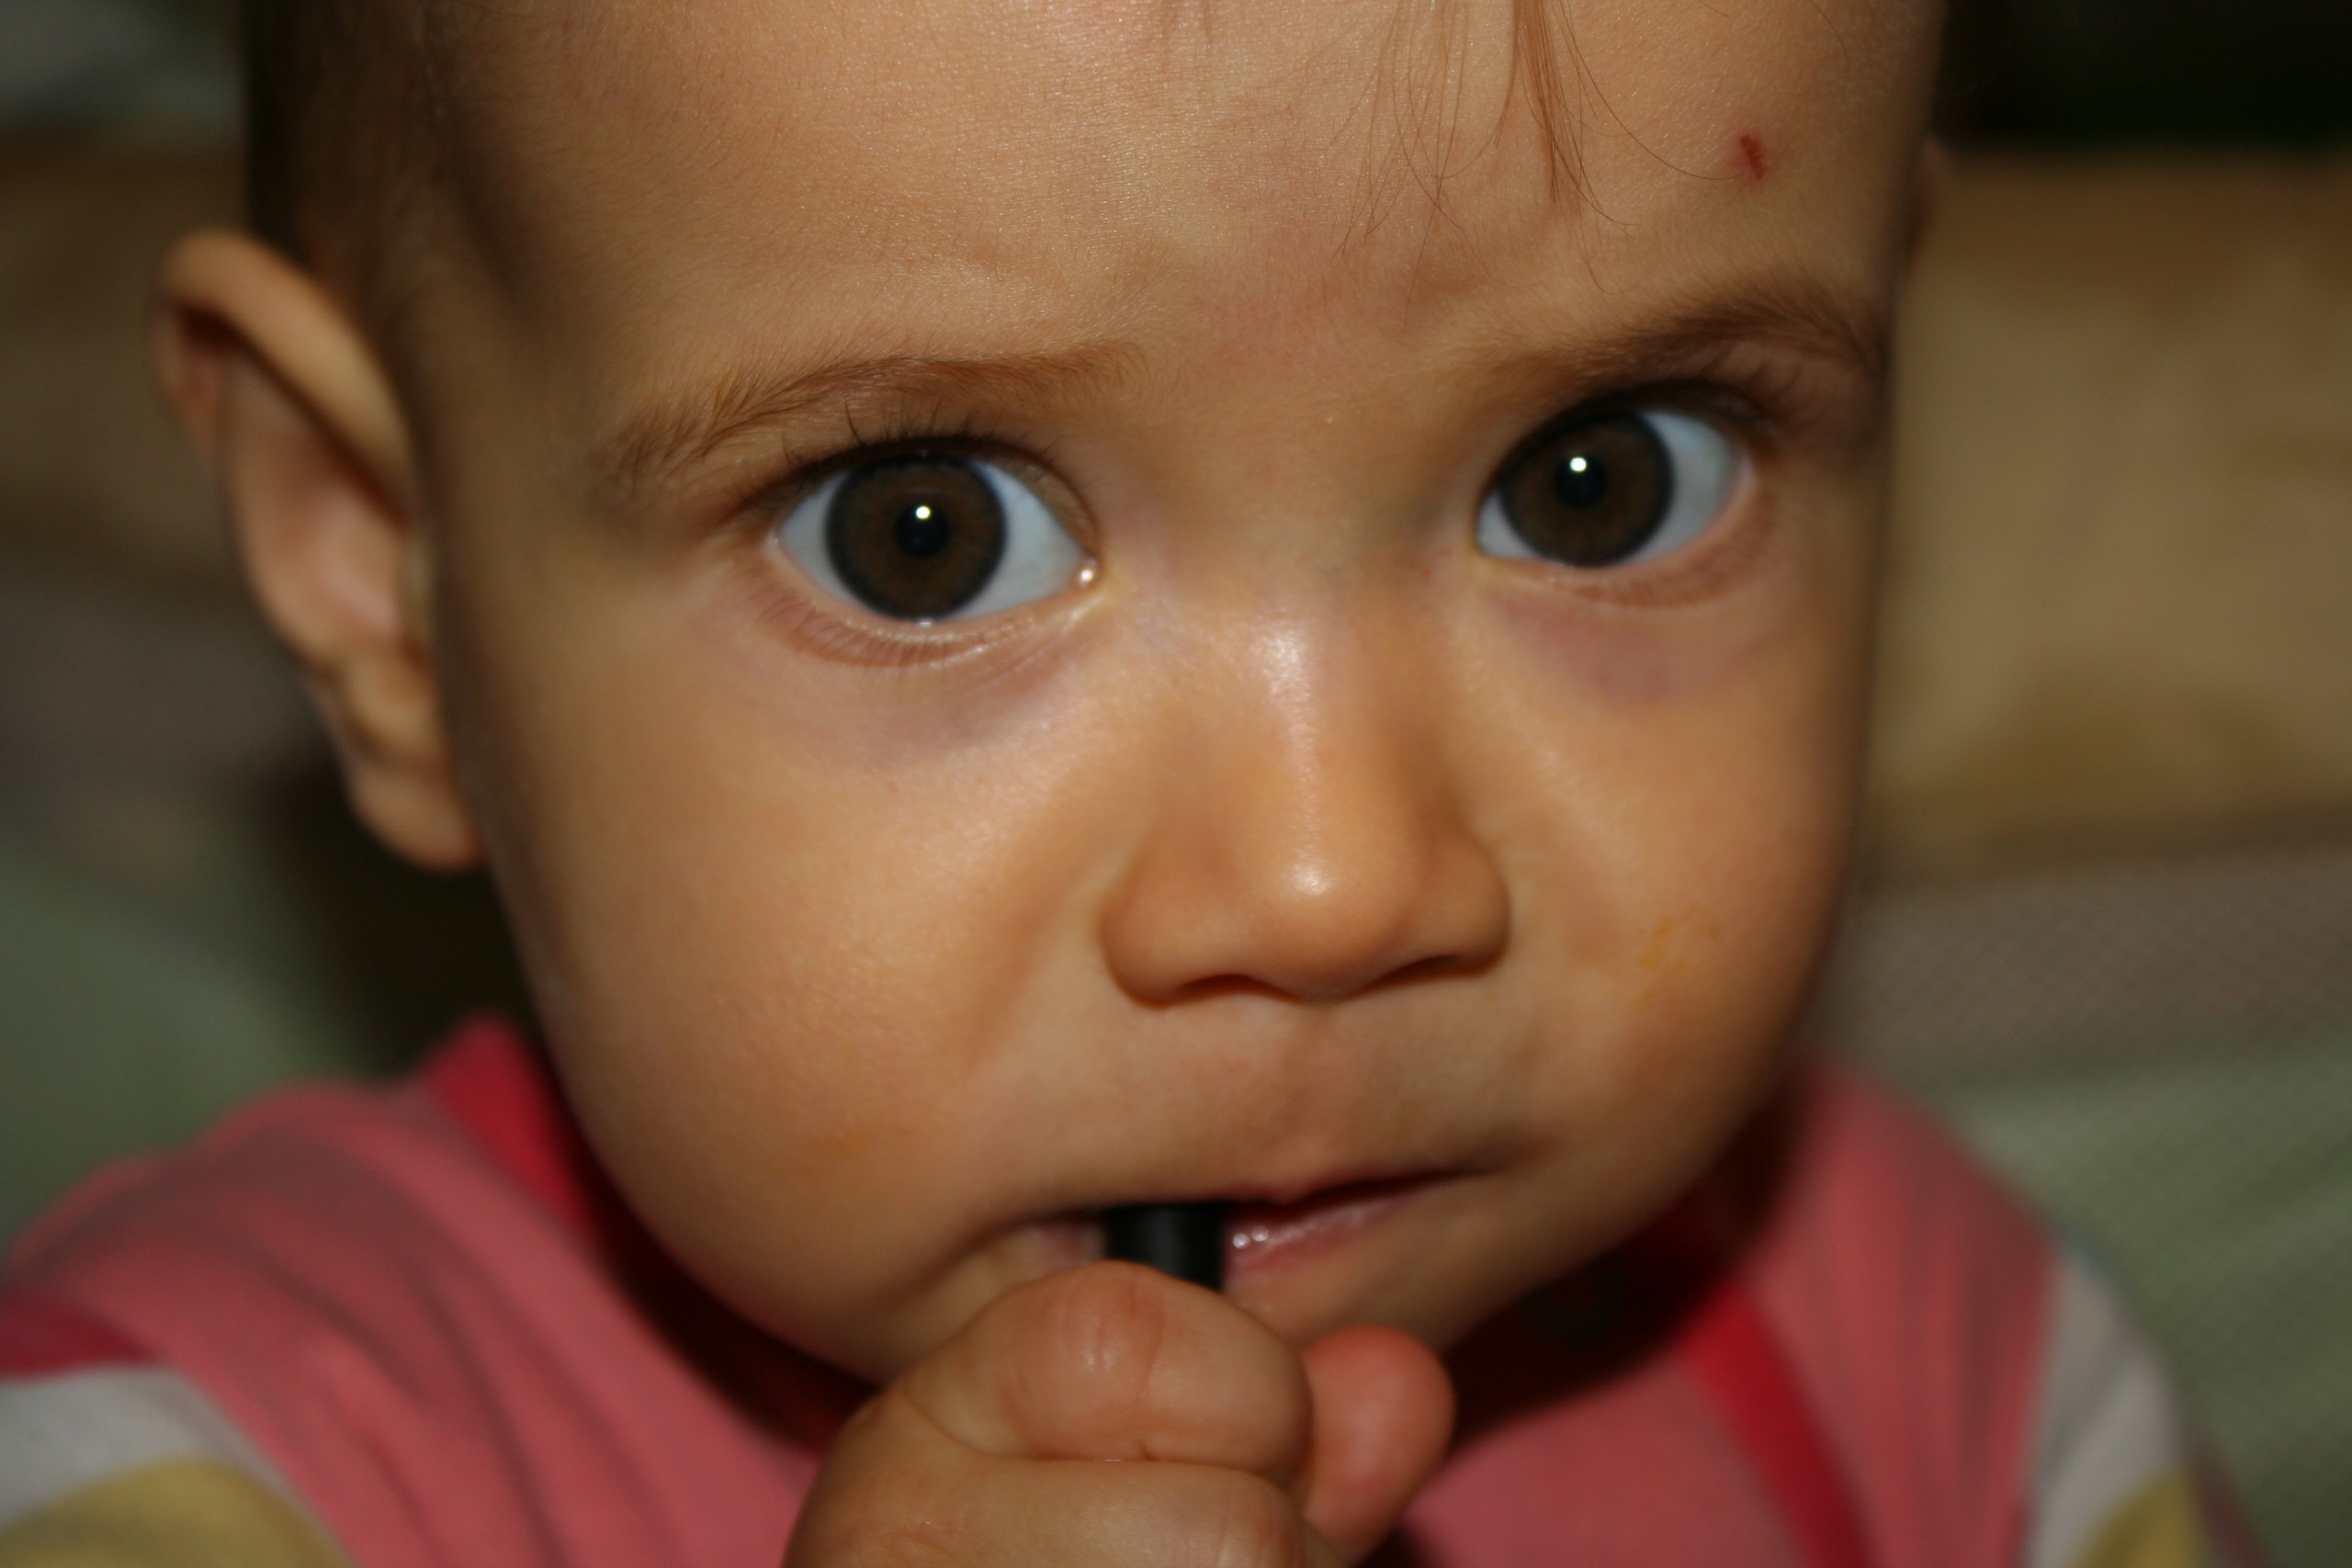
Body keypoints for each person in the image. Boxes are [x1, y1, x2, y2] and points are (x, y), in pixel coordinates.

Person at [0, 1, 2260, 1564]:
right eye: (922, 534)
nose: (1327, 879)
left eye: (1598, 481)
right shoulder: (164, 1458)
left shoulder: (1971, 1387)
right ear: (386, 577)